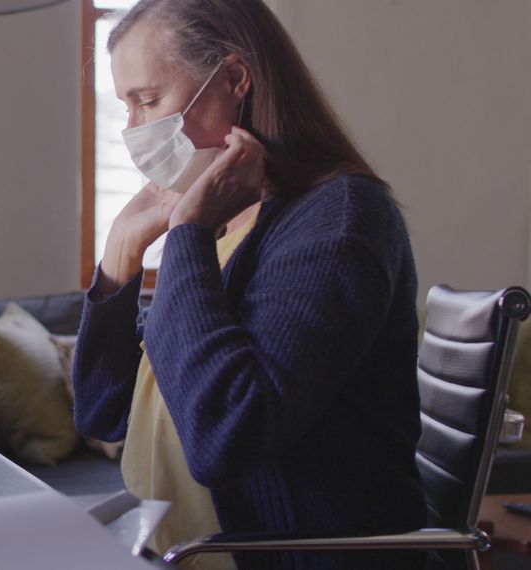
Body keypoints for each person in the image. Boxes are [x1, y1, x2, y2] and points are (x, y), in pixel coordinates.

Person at [72, 1, 426, 568]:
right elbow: (102, 410)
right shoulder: (231, 225)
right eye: (126, 107)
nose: (134, 130)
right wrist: (121, 254)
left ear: (234, 79)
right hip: (169, 549)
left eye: (148, 100)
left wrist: (187, 232)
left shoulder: (338, 221)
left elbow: (226, 439)